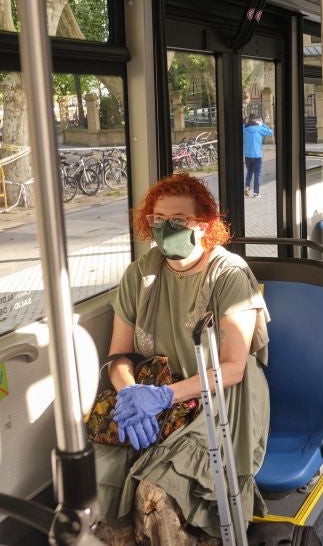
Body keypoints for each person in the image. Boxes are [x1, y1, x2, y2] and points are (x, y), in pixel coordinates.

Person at [93, 173, 271, 544]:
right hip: (154, 394)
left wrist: (161, 397)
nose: (164, 229)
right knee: (100, 467)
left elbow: (233, 369)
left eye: (177, 221)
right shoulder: (140, 274)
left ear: (204, 225)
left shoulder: (228, 275)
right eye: (157, 221)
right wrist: (130, 394)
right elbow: (119, 355)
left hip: (220, 399)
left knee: (155, 496)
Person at [243, 114, 273, 198]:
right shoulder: (259, 128)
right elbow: (270, 132)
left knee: (249, 171)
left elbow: (242, 126)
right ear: (257, 121)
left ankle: (247, 186)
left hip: (247, 155)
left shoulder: (245, 128)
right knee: (257, 174)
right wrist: (262, 123)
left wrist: (246, 122)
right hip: (257, 155)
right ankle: (256, 193)